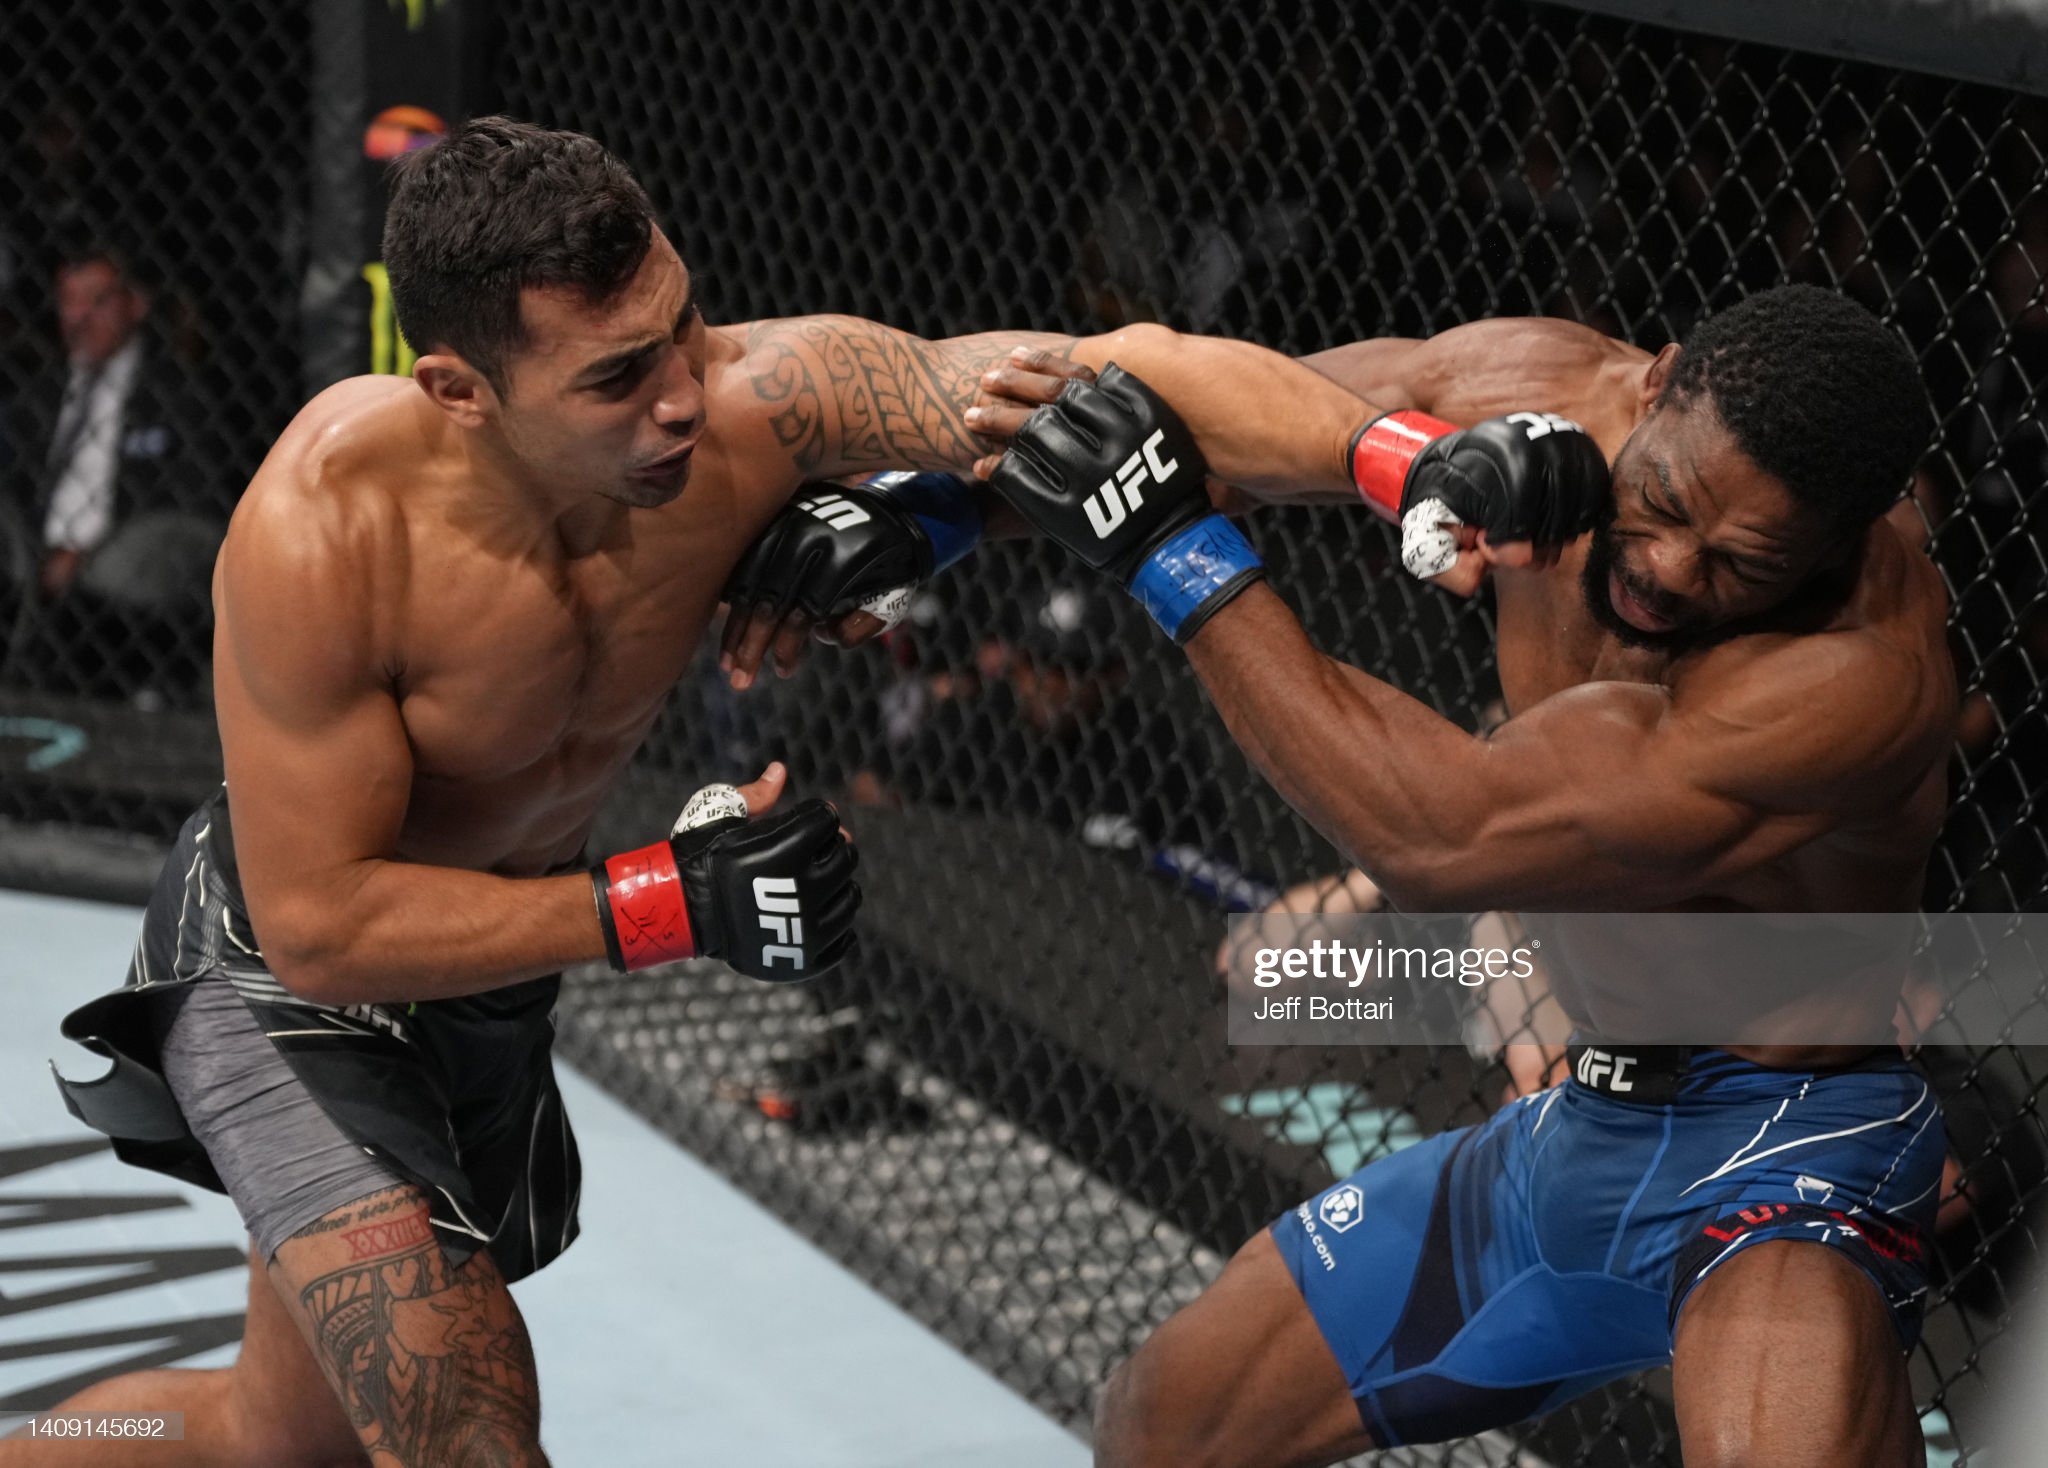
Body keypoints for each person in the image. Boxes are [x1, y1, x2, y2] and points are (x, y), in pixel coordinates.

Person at [953, 286, 1951, 1466]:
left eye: (1746, 561)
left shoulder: (1856, 674)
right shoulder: (1535, 386)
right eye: (1664, 501)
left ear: (1834, 545)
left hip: (1781, 1146)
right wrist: (916, 521)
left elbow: (1441, 840)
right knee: (1163, 1423)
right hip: (1583, 1119)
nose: (1672, 569)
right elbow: (1180, 406)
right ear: (1654, 382)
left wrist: (1169, 550)